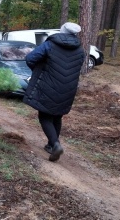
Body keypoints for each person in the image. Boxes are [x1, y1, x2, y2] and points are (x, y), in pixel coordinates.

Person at [23, 22, 85, 162]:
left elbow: (30, 58)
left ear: (61, 31)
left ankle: (55, 144)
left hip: (48, 85)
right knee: (57, 116)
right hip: (69, 89)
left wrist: (40, 71)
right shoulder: (80, 50)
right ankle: (51, 145)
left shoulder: (50, 45)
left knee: (45, 116)